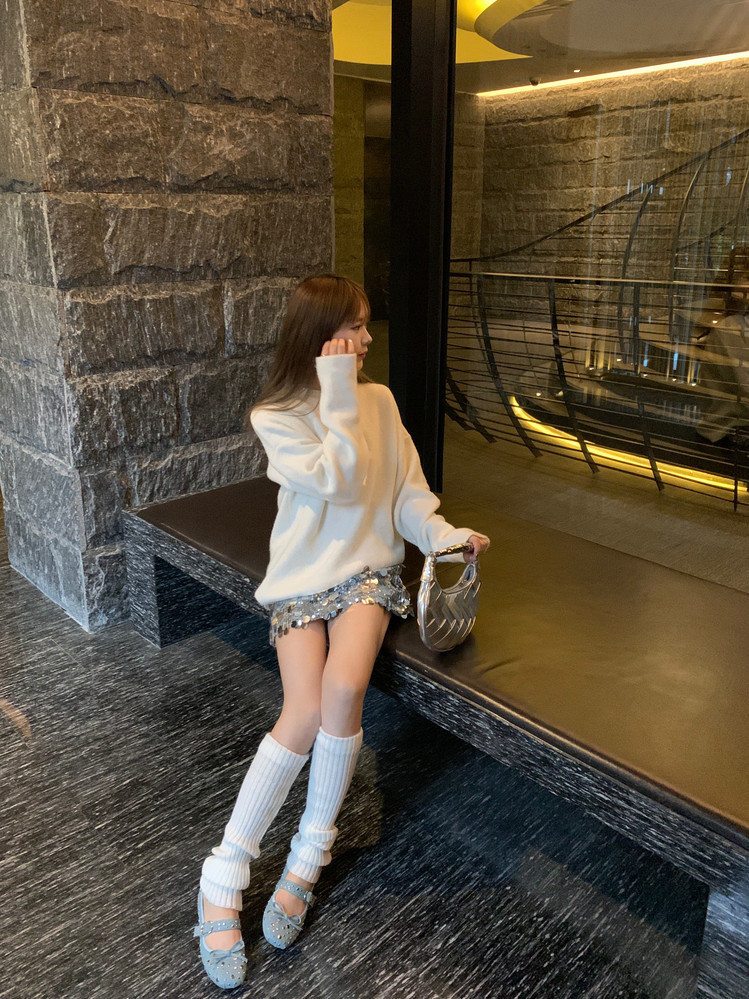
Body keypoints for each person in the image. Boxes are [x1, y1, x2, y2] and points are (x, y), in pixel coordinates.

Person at [193, 274, 490, 989]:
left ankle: (308, 855)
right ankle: (222, 873)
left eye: (363, 326)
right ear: (317, 336)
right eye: (351, 328)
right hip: (300, 576)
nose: (363, 339)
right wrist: (334, 390)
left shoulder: (378, 401)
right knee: (300, 710)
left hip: (366, 572)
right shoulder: (275, 415)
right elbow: (337, 479)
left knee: (344, 688)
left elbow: (405, 491)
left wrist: (444, 536)